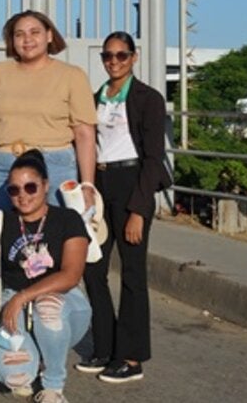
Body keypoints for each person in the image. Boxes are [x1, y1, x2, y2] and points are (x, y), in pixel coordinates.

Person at [0, 151, 92, 403]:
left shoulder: (67, 219)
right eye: (14, 190)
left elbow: (71, 275)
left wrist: (22, 297)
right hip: (12, 303)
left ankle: (53, 385)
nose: (23, 195)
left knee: (47, 308)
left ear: (45, 185)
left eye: (31, 187)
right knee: (15, 377)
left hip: (62, 304)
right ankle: (34, 357)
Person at [77, 32, 169, 384]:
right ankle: (105, 346)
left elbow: (154, 158)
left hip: (132, 184)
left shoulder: (148, 99)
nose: (114, 62)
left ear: (134, 58)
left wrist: (139, 211)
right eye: (108, 56)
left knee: (132, 273)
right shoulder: (95, 98)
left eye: (121, 55)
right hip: (100, 185)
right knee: (92, 268)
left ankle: (130, 358)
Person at [0, 11, 96, 228]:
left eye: (34, 32)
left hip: (55, 166)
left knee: (55, 235)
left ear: (49, 35)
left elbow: (84, 133)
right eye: (19, 34)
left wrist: (87, 185)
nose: (27, 40)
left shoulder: (72, 75)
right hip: (3, 165)